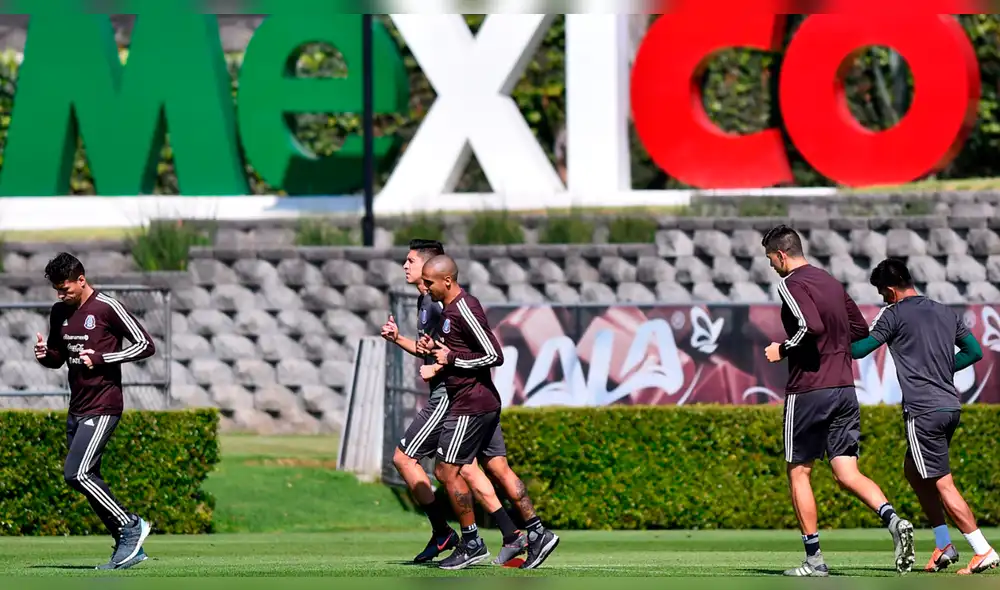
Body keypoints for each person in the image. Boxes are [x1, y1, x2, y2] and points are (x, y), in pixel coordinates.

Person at [381, 240, 556, 567]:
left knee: (424, 464)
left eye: (410, 261)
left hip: (457, 399)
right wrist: (415, 345)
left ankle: (461, 537)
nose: (404, 267)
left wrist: (444, 361)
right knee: (479, 469)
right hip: (471, 398)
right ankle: (523, 532)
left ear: (436, 272)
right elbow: (442, 349)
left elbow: (491, 354)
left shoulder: (453, 305)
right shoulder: (434, 301)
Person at [761, 226, 914, 577]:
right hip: (845, 388)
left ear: (782, 255)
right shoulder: (830, 281)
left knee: (799, 471)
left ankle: (814, 561)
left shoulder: (790, 283)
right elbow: (859, 330)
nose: (771, 266)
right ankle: (893, 520)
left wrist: (782, 349)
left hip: (809, 390)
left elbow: (809, 325)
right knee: (847, 472)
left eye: (770, 259)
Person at [851, 258, 998, 575]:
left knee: (942, 483)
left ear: (890, 290)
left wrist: (830, 340)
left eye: (882, 293)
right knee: (914, 471)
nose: (882, 299)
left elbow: (859, 350)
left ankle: (982, 549)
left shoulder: (893, 314)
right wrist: (944, 369)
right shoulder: (945, 311)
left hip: (923, 409)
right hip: (949, 406)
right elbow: (974, 352)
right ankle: (943, 544)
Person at [33, 253, 155, 570]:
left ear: (81, 280)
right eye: (57, 290)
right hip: (77, 406)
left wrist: (101, 359)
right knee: (88, 479)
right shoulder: (60, 312)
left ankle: (131, 526)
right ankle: (129, 547)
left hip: (104, 404)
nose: (61, 295)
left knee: (77, 473)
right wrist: (45, 355)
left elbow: (145, 344)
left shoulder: (106, 307)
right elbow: (59, 357)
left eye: (65, 288)